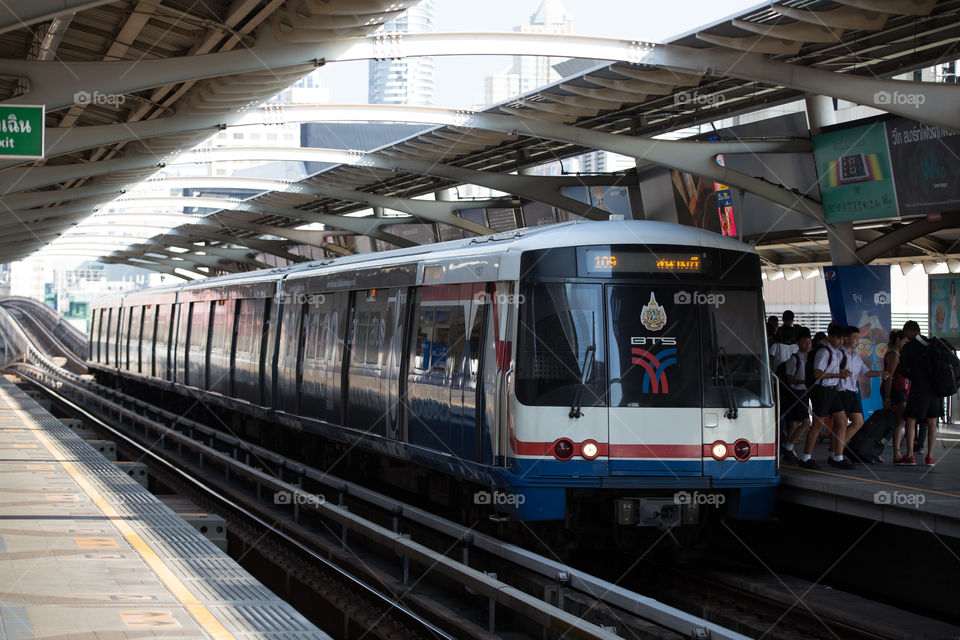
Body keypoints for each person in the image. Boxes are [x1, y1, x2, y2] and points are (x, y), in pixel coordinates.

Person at [803, 324, 852, 469]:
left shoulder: (838, 353)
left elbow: (831, 370)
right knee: (818, 424)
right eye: (837, 338)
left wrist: (841, 372)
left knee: (842, 421)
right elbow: (817, 374)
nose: (840, 341)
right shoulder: (824, 352)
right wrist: (838, 374)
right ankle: (806, 457)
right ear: (829, 337)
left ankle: (837, 456)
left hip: (832, 390)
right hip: (822, 390)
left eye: (842, 338)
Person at [839, 326, 890, 449]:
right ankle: (837, 451)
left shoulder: (855, 355)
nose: (858, 340)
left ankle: (838, 448)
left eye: (859, 338)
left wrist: (880, 373)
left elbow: (865, 372)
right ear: (846, 338)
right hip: (840, 392)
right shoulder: (839, 353)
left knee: (858, 422)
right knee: (841, 424)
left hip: (852, 393)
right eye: (855, 337)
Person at [897, 320, 940, 466]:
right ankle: (930, 457)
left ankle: (910, 456)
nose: (905, 335)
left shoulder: (909, 347)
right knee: (932, 421)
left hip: (919, 389)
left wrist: (915, 377)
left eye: (906, 332)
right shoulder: (932, 343)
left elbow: (903, 370)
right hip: (935, 389)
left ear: (911, 331)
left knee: (911, 419)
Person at [781, 328, 813, 465]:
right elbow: (790, 379)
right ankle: (787, 448)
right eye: (804, 342)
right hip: (797, 393)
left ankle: (789, 451)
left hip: (804, 393)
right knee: (806, 422)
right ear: (798, 343)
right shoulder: (794, 359)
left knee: (794, 423)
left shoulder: (808, 358)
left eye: (809, 342)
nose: (807, 345)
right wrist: (805, 381)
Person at [882, 329, 909, 462]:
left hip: (897, 391)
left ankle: (895, 452)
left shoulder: (896, 354)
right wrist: (887, 397)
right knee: (900, 421)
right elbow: (889, 377)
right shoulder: (893, 355)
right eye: (905, 340)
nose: (906, 342)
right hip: (895, 391)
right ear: (898, 340)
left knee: (897, 421)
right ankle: (896, 453)